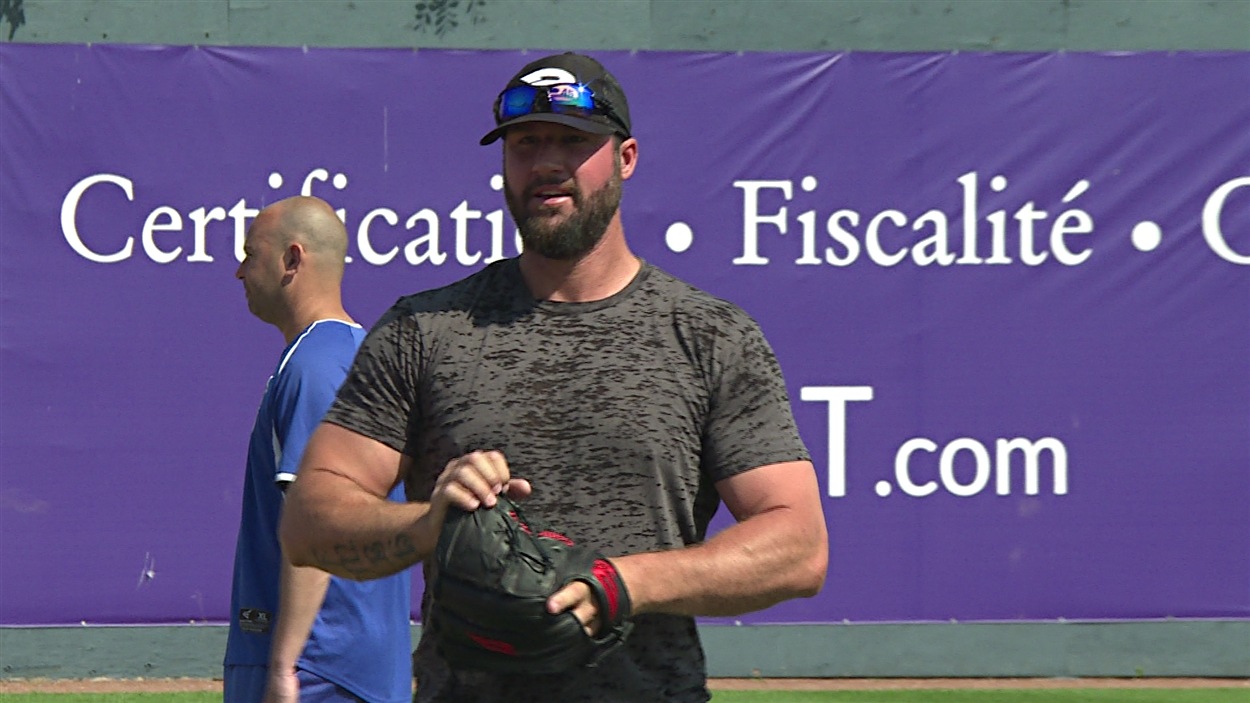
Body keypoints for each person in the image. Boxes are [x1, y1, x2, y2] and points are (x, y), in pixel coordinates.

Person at [279, 53, 828, 702]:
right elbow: (307, 523)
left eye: (573, 141)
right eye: (526, 142)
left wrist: (625, 582)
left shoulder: (709, 335)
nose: (546, 161)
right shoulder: (425, 329)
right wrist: (429, 525)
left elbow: (799, 544)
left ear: (625, 158)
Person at [224, 195, 412, 703]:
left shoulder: (314, 366)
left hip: (319, 671)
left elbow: (318, 520)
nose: (239, 271)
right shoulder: (358, 353)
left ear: (292, 259)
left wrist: (285, 667)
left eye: (250, 253)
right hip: (350, 666)